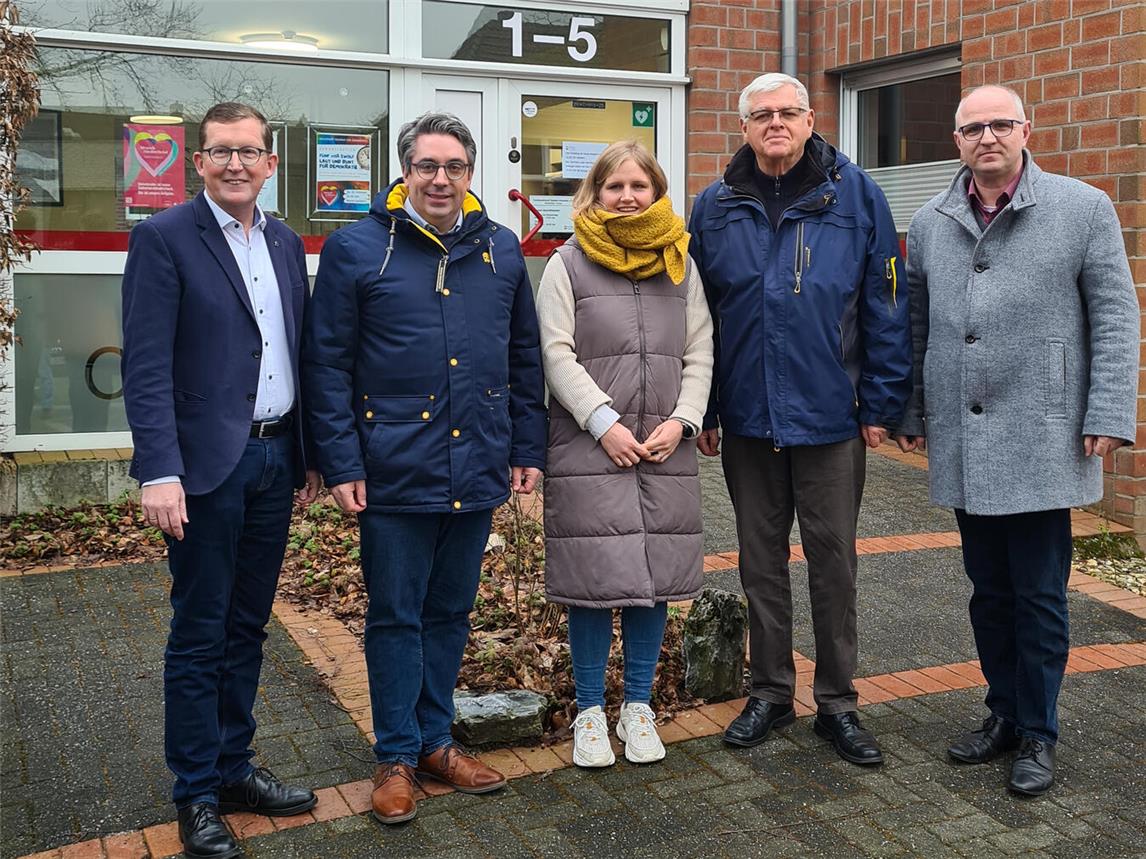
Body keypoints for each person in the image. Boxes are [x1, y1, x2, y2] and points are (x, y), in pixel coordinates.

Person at [302, 112, 547, 824]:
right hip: (391, 468)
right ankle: (396, 756)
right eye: (427, 165)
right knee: (395, 615)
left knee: (449, 611)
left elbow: (523, 357)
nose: (440, 179)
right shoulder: (358, 249)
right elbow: (327, 364)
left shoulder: (500, 249)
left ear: (472, 175)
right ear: (404, 172)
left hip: (476, 463)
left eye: (455, 167)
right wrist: (340, 458)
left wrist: (525, 447)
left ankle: (438, 741)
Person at [895, 85, 1137, 797]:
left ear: (1027, 129)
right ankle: (1001, 712)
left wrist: (1109, 411)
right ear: (957, 139)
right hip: (966, 439)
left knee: (1038, 594)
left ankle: (1039, 730)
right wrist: (912, 409)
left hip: (1043, 431)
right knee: (988, 591)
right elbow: (917, 326)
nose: (988, 137)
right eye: (973, 127)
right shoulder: (932, 220)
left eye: (1001, 124)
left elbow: (1117, 318)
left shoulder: (1082, 207)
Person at [688, 72, 911, 766]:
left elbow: (886, 301)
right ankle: (771, 691)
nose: (776, 123)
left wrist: (880, 401)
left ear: (812, 119)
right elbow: (698, 317)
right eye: (762, 114)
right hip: (749, 419)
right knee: (760, 563)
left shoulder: (856, 196)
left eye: (789, 112)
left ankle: (838, 703)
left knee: (834, 562)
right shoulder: (714, 205)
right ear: (745, 126)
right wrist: (709, 406)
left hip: (831, 417)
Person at [121, 102, 320, 859]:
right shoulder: (164, 238)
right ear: (197, 162)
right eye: (220, 152)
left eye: (249, 152)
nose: (235, 164)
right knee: (200, 631)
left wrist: (306, 454)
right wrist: (159, 469)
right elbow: (145, 366)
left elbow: (293, 350)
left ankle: (235, 768)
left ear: (271, 163)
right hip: (203, 469)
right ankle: (196, 793)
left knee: (248, 625)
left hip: (273, 460)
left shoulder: (284, 239)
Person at [536, 140, 714, 767]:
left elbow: (700, 350)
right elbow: (556, 354)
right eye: (615, 186)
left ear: (657, 192)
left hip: (665, 446)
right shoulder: (568, 262)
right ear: (596, 192)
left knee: (653, 579)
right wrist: (603, 421)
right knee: (593, 578)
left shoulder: (680, 264)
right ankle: (589, 713)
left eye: (640, 186)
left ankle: (637, 708)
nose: (628, 197)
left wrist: (685, 419)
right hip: (592, 445)